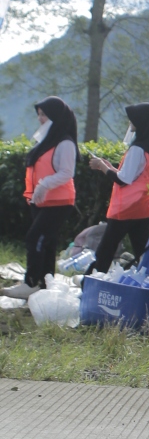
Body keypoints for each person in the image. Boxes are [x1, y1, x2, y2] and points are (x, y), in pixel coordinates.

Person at [86, 103, 149, 272]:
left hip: (126, 208)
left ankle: (94, 280)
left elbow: (123, 180)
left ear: (142, 122)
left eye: (133, 119)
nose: (130, 123)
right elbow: (134, 176)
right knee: (143, 251)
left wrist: (101, 167)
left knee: (106, 249)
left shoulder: (137, 149)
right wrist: (109, 167)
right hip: (143, 207)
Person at [3, 98, 79, 300]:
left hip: (59, 202)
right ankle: (46, 284)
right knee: (47, 243)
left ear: (55, 116)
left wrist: (45, 184)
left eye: (44, 114)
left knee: (34, 237)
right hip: (41, 201)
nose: (40, 118)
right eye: (39, 114)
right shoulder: (46, 141)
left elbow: (67, 172)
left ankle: (31, 282)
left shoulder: (65, 143)